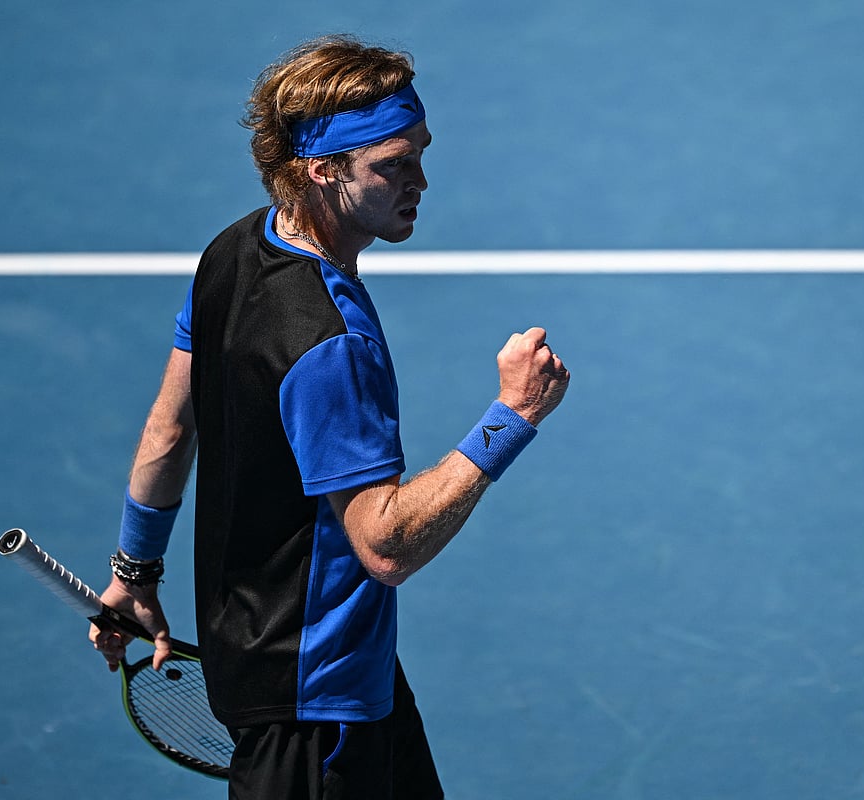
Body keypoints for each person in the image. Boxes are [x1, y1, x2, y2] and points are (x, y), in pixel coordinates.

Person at [89, 34, 570, 799]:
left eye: (420, 153)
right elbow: (384, 545)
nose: (419, 181)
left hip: (317, 666)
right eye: (393, 165)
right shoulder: (329, 344)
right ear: (323, 169)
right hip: (313, 708)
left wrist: (135, 569)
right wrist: (512, 416)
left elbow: (169, 428)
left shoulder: (234, 247)